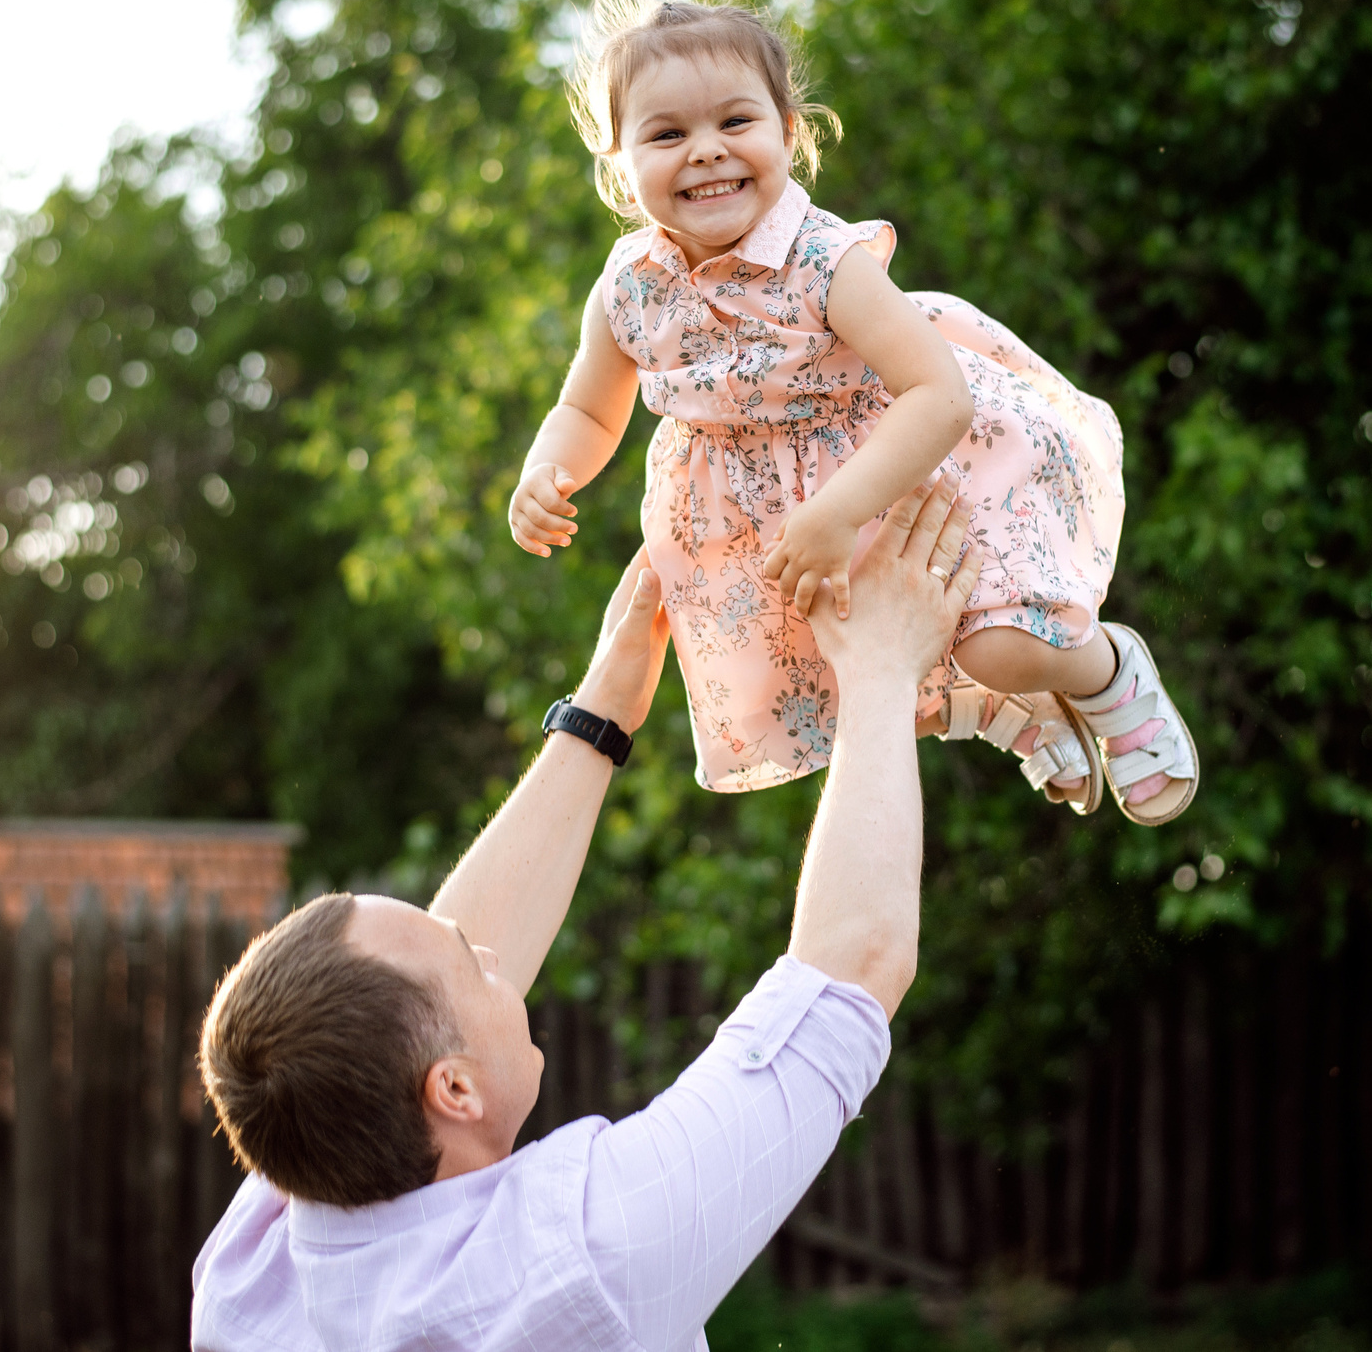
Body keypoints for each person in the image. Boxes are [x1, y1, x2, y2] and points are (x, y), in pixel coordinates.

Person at [191, 478, 982, 1352]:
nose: (494, 956)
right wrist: (880, 663)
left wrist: (597, 716)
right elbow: (855, 964)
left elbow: (400, 1011)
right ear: (452, 1089)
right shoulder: (579, 1264)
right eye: (472, 962)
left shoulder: (261, 1256)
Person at [507, 0, 1198, 825]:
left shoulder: (822, 261)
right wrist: (547, 471)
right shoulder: (628, 287)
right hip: (756, 523)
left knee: (998, 643)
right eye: (666, 135)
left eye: (735, 120)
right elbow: (587, 407)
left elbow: (937, 395)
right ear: (620, 164)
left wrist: (838, 511)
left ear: (789, 132)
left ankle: (1106, 673)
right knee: (849, 672)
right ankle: (1001, 711)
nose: (706, 151)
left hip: (907, 471)